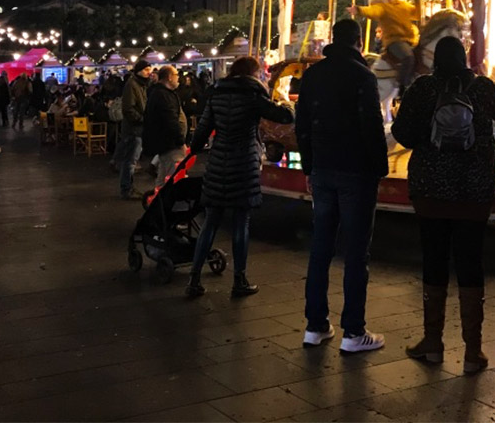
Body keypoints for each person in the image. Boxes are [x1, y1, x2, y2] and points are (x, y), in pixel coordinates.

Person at [391, 36, 495, 374]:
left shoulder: (422, 89)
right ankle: (473, 352)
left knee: (434, 262)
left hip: (431, 190)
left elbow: (401, 133)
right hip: (474, 192)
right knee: (471, 263)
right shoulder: (484, 87)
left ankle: (433, 343)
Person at [295, 18, 388, 354]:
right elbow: (372, 125)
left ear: (333, 39)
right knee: (355, 251)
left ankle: (315, 325)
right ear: (358, 41)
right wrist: (379, 167)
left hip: (322, 168)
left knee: (320, 248)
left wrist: (308, 164)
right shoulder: (362, 76)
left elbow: (301, 122)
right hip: (355, 171)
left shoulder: (314, 75)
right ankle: (353, 330)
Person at [185, 56, 294, 299]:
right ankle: (239, 279)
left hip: (218, 164)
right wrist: (287, 104)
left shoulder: (217, 93)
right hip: (243, 164)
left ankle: (194, 278)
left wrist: (194, 148)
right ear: (253, 73)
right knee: (240, 222)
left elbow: (203, 127)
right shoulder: (253, 95)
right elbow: (283, 117)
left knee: (210, 221)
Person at [349, 0, 420, 91]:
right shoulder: (382, 7)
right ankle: (403, 86)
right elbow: (372, 11)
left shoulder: (404, 5)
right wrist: (359, 10)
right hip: (395, 40)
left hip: (410, 40)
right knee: (408, 57)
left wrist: (418, 1)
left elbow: (417, 15)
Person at [142, 65, 187, 189]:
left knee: (163, 178)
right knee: (174, 178)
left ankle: (158, 203)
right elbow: (170, 120)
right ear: (169, 77)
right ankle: (168, 205)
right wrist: (180, 141)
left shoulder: (159, 93)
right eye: (176, 75)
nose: (178, 78)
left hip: (165, 144)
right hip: (170, 144)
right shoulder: (164, 95)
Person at [115, 60, 152, 199]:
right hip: (133, 130)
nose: (149, 72)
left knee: (131, 160)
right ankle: (126, 189)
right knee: (130, 161)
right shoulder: (132, 85)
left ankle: (128, 187)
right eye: (146, 70)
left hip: (137, 129)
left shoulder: (140, 85)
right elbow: (128, 108)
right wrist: (142, 119)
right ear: (139, 71)